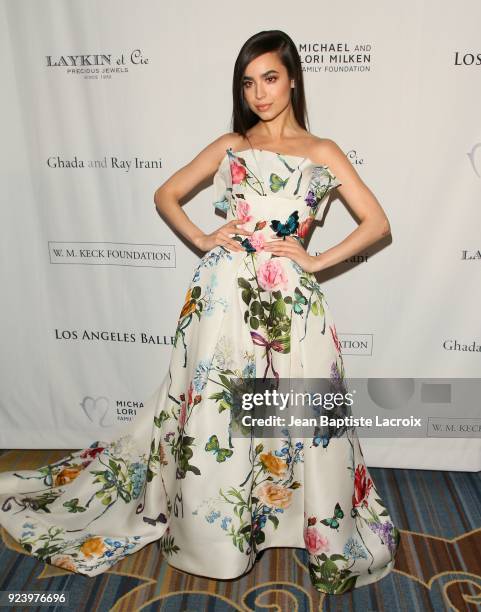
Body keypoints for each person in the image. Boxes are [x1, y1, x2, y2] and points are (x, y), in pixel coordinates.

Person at [0, 30, 399, 595]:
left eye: (270, 78)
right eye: (248, 82)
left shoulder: (323, 152)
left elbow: (377, 223)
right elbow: (166, 194)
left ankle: (288, 521)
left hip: (291, 303)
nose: (259, 93)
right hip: (223, 298)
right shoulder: (229, 146)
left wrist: (313, 261)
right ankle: (219, 534)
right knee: (219, 416)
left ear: (292, 79)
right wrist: (204, 238)